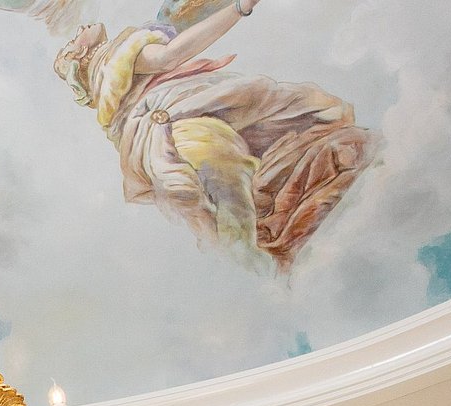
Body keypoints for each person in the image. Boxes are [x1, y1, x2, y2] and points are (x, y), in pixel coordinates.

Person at [51, 0, 372, 267]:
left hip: (160, 137)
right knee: (268, 146)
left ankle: (263, 260)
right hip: (178, 122)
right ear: (83, 57)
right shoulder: (115, 57)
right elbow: (169, 57)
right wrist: (240, 8)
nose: (78, 31)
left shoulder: (112, 81)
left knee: (230, 208)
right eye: (71, 43)